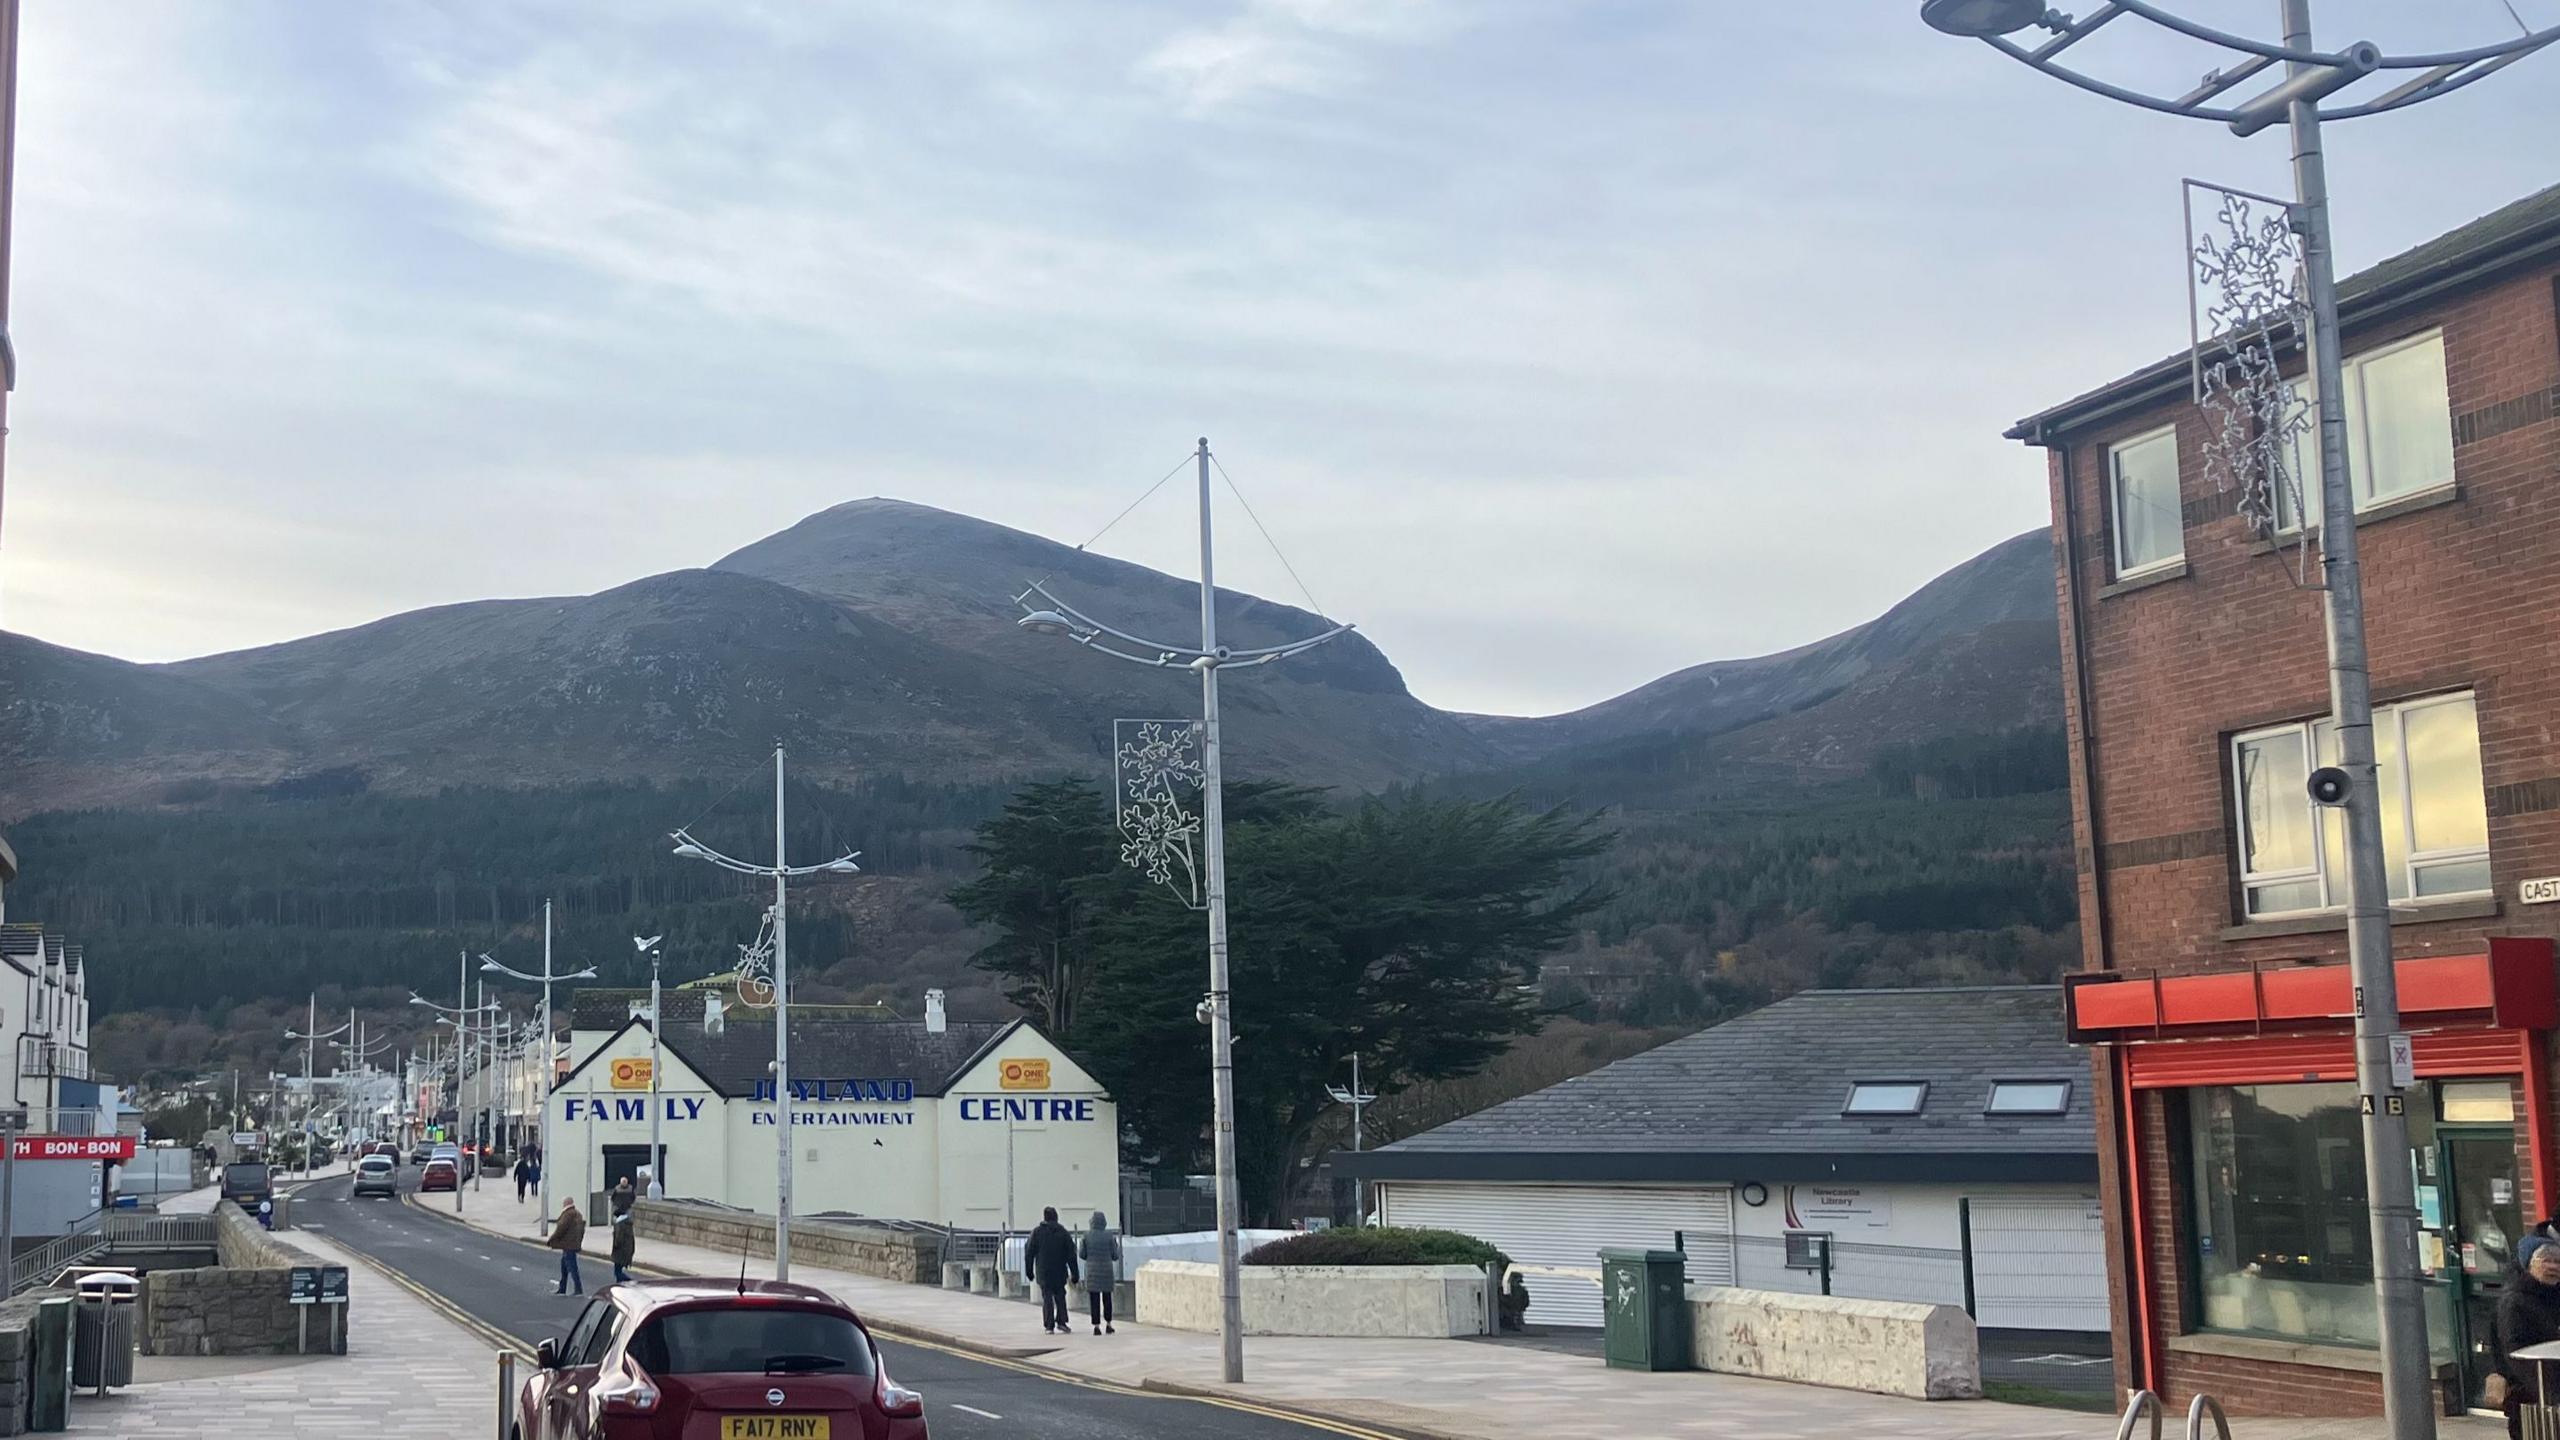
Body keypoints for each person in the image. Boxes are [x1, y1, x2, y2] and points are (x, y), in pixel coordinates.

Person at [2499, 1234, 2560, 1436]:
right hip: (2533, 1401)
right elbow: (2514, 1352)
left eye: (2557, 1261)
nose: (2553, 1266)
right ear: (2529, 1265)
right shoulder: (2515, 1302)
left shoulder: (2554, 1295)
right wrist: (2550, 1392)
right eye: (2545, 1261)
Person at [1023, 1206, 1079, 1335]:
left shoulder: (1037, 1232)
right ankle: (1062, 1322)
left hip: (1044, 1271)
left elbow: (1029, 1253)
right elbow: (1071, 1254)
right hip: (1059, 1271)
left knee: (1047, 1297)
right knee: (1060, 1296)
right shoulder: (1063, 1232)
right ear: (1056, 1217)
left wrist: (1029, 1271)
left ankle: (1049, 1325)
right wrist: (1075, 1274)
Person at [1078, 1211, 1121, 1335]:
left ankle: (1096, 1326)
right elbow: (1115, 1255)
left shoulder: (1086, 1236)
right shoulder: (1109, 1236)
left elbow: (1082, 1254)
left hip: (1092, 1271)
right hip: (1107, 1271)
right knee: (1107, 1299)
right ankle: (1108, 1324)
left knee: (1094, 1300)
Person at [546, 1198, 587, 1295]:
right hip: (573, 1244)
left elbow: (560, 1228)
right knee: (564, 1267)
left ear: (566, 1204)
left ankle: (578, 1289)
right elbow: (582, 1230)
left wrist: (551, 1239)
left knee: (572, 1268)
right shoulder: (578, 1214)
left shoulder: (568, 1214)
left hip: (568, 1245)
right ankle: (562, 1288)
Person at [609, 1175, 638, 1284]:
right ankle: (621, 1282)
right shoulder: (617, 1189)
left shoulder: (621, 1224)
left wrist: (616, 1244)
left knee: (618, 1271)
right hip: (624, 1250)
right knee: (618, 1271)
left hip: (620, 1250)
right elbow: (613, 1199)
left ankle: (629, 1281)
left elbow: (619, 1238)